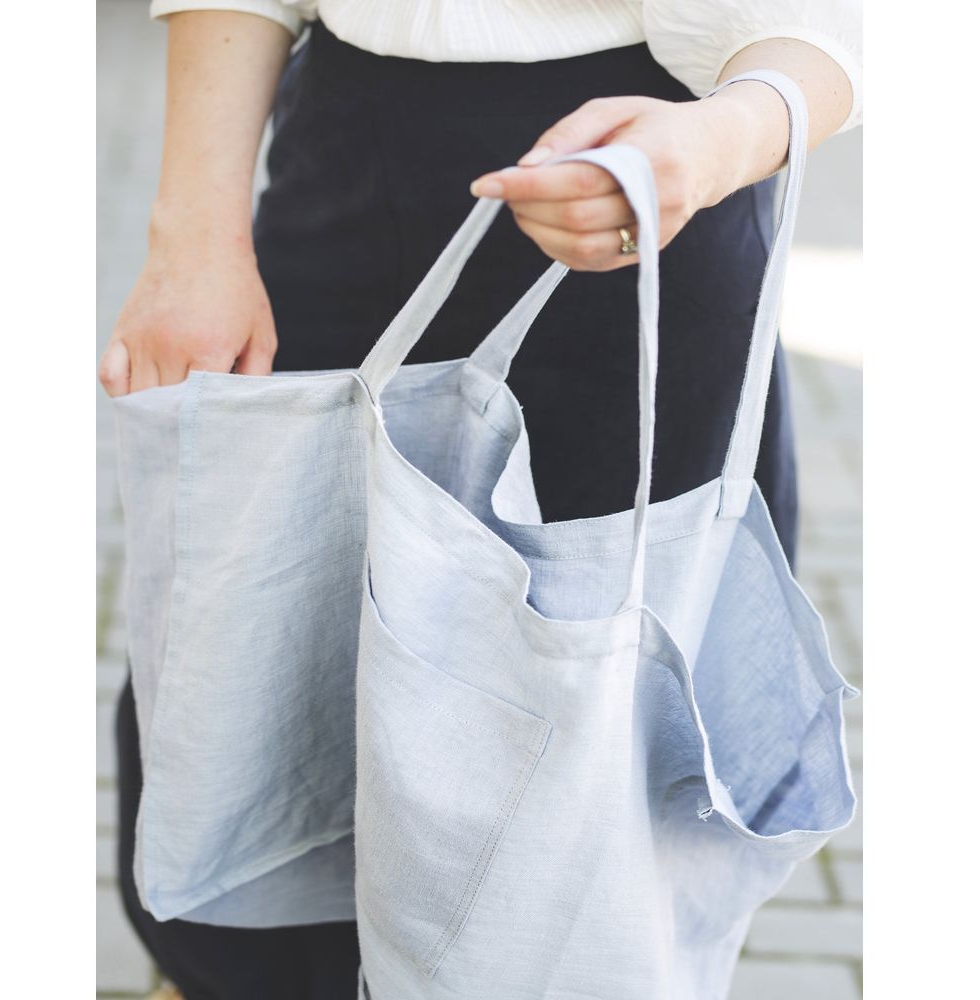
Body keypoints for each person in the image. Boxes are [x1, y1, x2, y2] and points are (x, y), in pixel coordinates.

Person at [100, 2, 861, 997]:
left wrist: (720, 140)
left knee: (568, 778)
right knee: (262, 679)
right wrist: (192, 230)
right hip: (343, 162)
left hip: (647, 190)